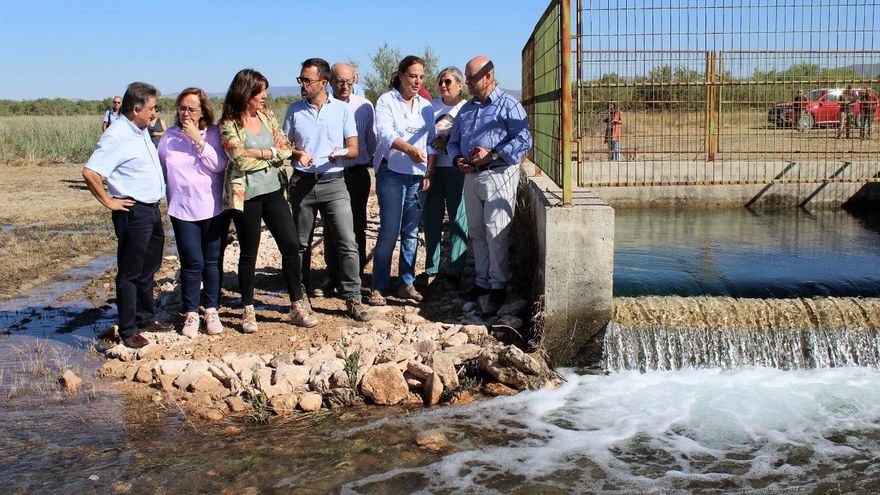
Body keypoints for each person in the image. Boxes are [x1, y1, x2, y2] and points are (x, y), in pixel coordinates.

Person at [219, 68, 317, 332]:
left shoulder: (267, 116)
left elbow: (285, 148)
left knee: (290, 245)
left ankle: (296, 305)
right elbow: (238, 158)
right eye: (259, 91)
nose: (264, 96)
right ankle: (248, 310)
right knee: (249, 252)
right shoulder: (228, 123)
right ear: (246, 92)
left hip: (274, 190)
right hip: (247, 196)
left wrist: (264, 152)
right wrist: (271, 154)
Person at [83, 82, 174, 348]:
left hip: (151, 208)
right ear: (135, 109)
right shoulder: (117, 134)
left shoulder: (140, 129)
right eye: (151, 108)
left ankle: (145, 317)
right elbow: (90, 172)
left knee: (149, 266)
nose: (155, 113)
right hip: (132, 210)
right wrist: (109, 201)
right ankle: (127, 329)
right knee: (130, 272)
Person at [282, 58, 371, 322]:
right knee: (299, 244)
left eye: (306, 80)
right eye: (301, 79)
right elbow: (284, 147)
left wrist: (340, 153)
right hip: (302, 183)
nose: (302, 85)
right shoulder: (294, 110)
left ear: (323, 83)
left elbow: (354, 148)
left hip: (334, 181)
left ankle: (353, 298)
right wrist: (297, 153)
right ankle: (300, 298)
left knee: (347, 240)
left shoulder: (342, 110)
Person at [448, 55, 533, 313]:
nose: (468, 82)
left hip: (498, 174)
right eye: (466, 77)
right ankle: (482, 282)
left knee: (495, 232)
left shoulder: (509, 105)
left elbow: (525, 139)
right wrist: (456, 160)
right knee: (475, 230)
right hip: (470, 176)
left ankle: (498, 286)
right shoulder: (467, 108)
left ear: (488, 77)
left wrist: (492, 154)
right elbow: (453, 140)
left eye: (471, 77)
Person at [158, 87, 227, 337]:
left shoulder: (214, 134)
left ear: (203, 111)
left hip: (211, 208)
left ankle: (211, 309)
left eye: (191, 109)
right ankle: (190, 313)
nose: (186, 113)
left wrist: (198, 140)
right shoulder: (169, 137)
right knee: (191, 262)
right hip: (181, 209)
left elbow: (219, 165)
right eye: (182, 108)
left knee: (211, 261)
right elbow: (162, 170)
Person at [369, 55, 438, 306]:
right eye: (412, 76)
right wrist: (408, 149)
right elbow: (385, 134)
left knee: (411, 231)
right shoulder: (387, 101)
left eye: (421, 76)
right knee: (389, 229)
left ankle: (406, 283)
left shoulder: (426, 106)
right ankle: (379, 284)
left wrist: (429, 172)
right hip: (392, 172)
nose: (417, 81)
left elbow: (431, 142)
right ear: (400, 75)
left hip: (417, 175)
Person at [315, 62, 377, 296]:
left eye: (349, 81)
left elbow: (370, 143)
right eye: (340, 81)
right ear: (330, 81)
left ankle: (355, 275)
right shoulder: (323, 106)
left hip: (356, 173)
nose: (344, 86)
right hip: (331, 175)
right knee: (331, 227)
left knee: (358, 226)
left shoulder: (365, 106)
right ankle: (332, 273)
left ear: (355, 81)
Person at [421, 66, 469, 288]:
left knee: (458, 217)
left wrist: (448, 139)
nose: (443, 85)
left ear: (460, 85)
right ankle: (431, 267)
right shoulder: (430, 107)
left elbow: (468, 136)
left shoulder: (466, 109)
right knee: (431, 217)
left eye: (448, 81)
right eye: (441, 81)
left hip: (455, 168)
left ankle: (455, 269)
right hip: (432, 168)